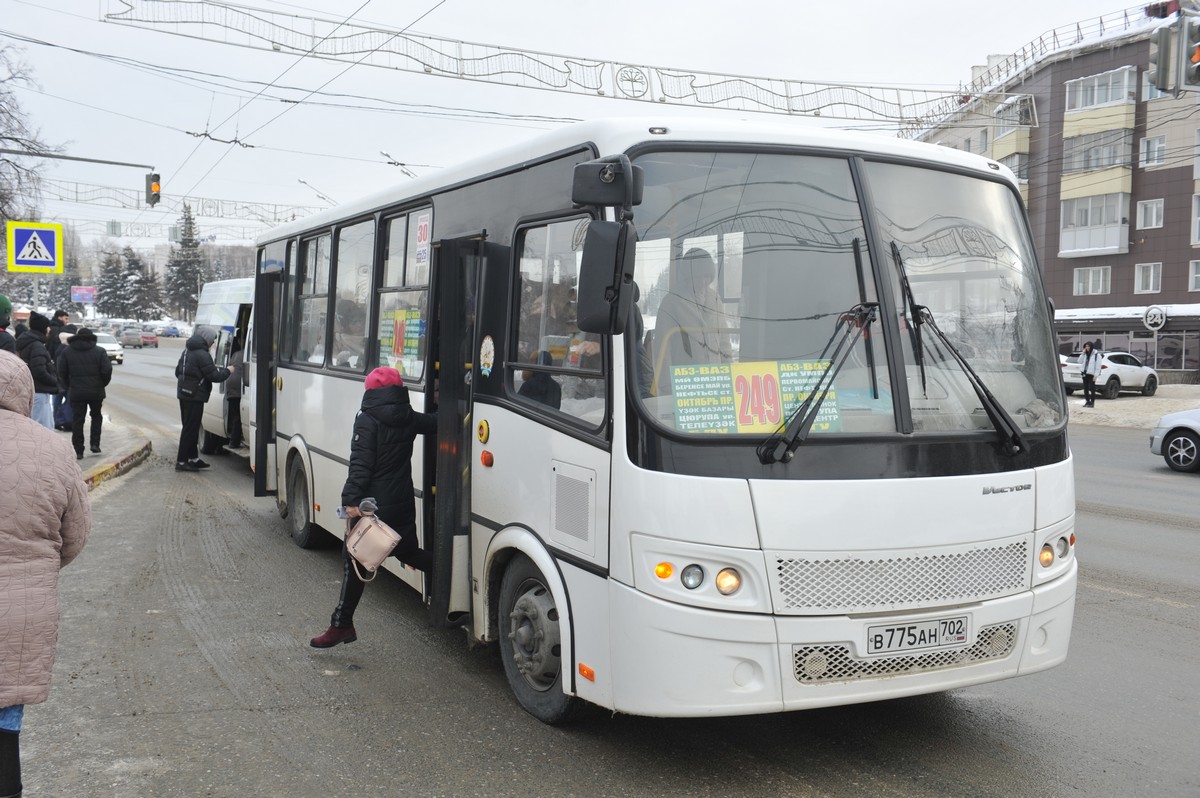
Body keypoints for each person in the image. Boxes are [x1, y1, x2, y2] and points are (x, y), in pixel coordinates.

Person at [0, 349, 92, 798]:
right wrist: (34, 568)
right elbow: (74, 536)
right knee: (3, 722)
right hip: (21, 610)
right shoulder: (54, 449)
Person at [310, 366, 436, 648]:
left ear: (371, 392)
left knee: (353, 557)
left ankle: (341, 625)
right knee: (408, 552)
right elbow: (434, 424)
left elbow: (361, 465)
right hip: (401, 503)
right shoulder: (408, 417)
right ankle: (448, 574)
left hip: (373, 508)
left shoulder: (367, 420)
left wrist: (349, 503)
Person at [651, 248, 732, 395]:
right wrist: (668, 386)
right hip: (685, 384)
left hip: (715, 382)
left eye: (707, 276)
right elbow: (662, 348)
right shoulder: (672, 302)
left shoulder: (715, 300)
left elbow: (724, 340)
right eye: (698, 277)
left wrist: (729, 374)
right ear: (688, 275)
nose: (703, 281)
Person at [175, 326, 234, 472]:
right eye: (213, 340)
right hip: (194, 396)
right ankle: (182, 462)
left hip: (184, 394)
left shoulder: (187, 350)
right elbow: (215, 376)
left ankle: (193, 458)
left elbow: (178, 372)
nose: (213, 343)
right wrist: (228, 370)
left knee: (191, 427)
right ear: (206, 339)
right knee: (190, 429)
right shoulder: (202, 354)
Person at [56, 326, 113, 460]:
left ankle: (78, 450)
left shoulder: (67, 352)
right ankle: (94, 443)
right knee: (96, 416)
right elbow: (107, 370)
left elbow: (61, 372)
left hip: (76, 391)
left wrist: (69, 386)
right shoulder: (99, 351)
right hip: (96, 391)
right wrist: (101, 384)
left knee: (78, 420)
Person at [15, 311, 58, 429]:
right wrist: (55, 380)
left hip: (35, 390)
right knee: (40, 428)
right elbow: (39, 371)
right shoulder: (36, 345)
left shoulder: (30, 342)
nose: (49, 330)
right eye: (47, 327)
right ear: (43, 328)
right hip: (39, 391)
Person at [225, 336, 245, 449]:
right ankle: (234, 442)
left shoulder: (236, 354)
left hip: (230, 384)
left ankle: (233, 440)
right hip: (238, 387)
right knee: (238, 416)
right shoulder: (246, 354)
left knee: (235, 415)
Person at [1079, 341, 1102, 407]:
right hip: (1084, 372)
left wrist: (1096, 375)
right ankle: (1087, 401)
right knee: (1085, 388)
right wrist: (1082, 354)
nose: (1087, 348)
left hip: (1091, 374)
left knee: (1092, 388)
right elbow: (1079, 361)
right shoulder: (1085, 354)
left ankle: (1092, 402)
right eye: (1086, 346)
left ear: (1091, 347)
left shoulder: (1096, 355)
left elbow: (1098, 366)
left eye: (1088, 346)